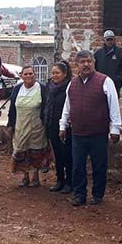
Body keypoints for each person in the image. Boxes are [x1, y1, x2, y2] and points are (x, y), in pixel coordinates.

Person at [59, 50, 121, 206]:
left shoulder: (105, 81)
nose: (86, 65)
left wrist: (115, 128)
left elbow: (114, 106)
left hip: (98, 133)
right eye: (82, 62)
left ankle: (98, 194)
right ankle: (79, 195)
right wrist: (62, 125)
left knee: (99, 166)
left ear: (94, 63)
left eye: (89, 61)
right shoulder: (72, 84)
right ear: (77, 65)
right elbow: (67, 107)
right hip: (78, 133)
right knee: (77, 166)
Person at [7, 66, 51, 187]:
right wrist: (10, 124)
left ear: (35, 75)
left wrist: (46, 124)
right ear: (21, 76)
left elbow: (46, 108)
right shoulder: (17, 89)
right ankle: (25, 176)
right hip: (20, 126)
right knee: (21, 151)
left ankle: (35, 177)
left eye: (31, 73)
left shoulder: (42, 88)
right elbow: (12, 109)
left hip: (37, 127)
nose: (28, 76)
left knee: (35, 151)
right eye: (25, 74)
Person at [43, 61, 73, 194]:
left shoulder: (70, 87)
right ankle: (59, 179)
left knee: (67, 155)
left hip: (65, 126)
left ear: (65, 74)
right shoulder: (49, 87)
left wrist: (65, 124)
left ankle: (69, 182)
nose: (54, 75)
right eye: (53, 73)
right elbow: (45, 104)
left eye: (57, 73)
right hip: (51, 125)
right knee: (57, 155)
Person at [94, 30, 122, 97]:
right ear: (104, 40)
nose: (110, 42)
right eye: (108, 40)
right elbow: (94, 68)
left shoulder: (120, 53)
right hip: (101, 84)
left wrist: (118, 78)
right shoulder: (98, 54)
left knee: (114, 104)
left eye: (111, 39)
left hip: (115, 85)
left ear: (114, 39)